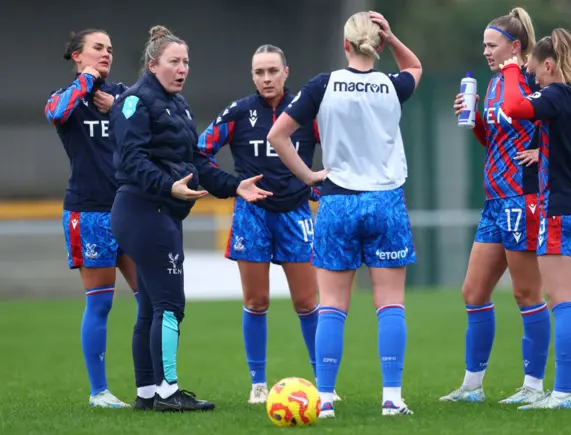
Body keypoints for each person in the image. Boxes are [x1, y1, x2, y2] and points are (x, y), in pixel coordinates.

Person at [109, 25, 271, 412]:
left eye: (186, 62)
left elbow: (196, 160)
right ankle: (168, 391)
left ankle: (148, 394)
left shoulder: (179, 105)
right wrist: (168, 187)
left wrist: (235, 186)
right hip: (142, 210)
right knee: (170, 303)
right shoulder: (134, 102)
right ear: (153, 64)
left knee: (150, 306)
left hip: (161, 211)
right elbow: (132, 159)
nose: (182, 69)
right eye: (174, 62)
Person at [267, 11, 421, 418]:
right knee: (390, 304)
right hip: (385, 201)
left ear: (345, 45)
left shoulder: (324, 84)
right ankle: (392, 398)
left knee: (332, 304)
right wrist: (393, 36)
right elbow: (415, 66)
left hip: (336, 200)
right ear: (379, 44)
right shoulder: (394, 85)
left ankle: (327, 399)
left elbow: (277, 135)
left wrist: (309, 176)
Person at [197, 44, 340, 404]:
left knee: (308, 302)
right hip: (252, 217)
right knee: (256, 301)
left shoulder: (308, 113)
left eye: (272, 71)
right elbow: (200, 152)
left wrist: (322, 188)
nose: (266, 78)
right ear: (252, 76)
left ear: (286, 72)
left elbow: (341, 150)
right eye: (259, 72)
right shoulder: (239, 113)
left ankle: (324, 384)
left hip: (295, 214)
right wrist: (232, 186)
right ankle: (258, 385)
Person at [440, 7, 551, 405]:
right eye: (484, 45)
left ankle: (535, 388)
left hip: (522, 199)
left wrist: (544, 151)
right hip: (494, 201)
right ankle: (472, 387)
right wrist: (477, 126)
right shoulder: (491, 84)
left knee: (526, 294)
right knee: (473, 292)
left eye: (492, 45)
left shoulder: (531, 79)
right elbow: (497, 141)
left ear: (514, 46)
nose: (485, 51)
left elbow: (562, 123)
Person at [499, 28, 571, 410]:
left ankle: (562, 393)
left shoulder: (558, 95)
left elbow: (514, 107)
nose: (532, 77)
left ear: (549, 65)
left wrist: (512, 71)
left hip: (562, 209)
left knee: (562, 302)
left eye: (535, 71)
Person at [44, 29, 137, 408]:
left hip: (131, 209)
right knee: (100, 303)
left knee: (154, 300)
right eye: (98, 48)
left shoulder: (122, 95)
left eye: (110, 49)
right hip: (89, 212)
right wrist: (86, 80)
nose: (107, 54)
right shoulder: (64, 99)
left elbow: (146, 124)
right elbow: (58, 112)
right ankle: (99, 392)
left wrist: (113, 106)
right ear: (77, 56)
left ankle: (156, 386)